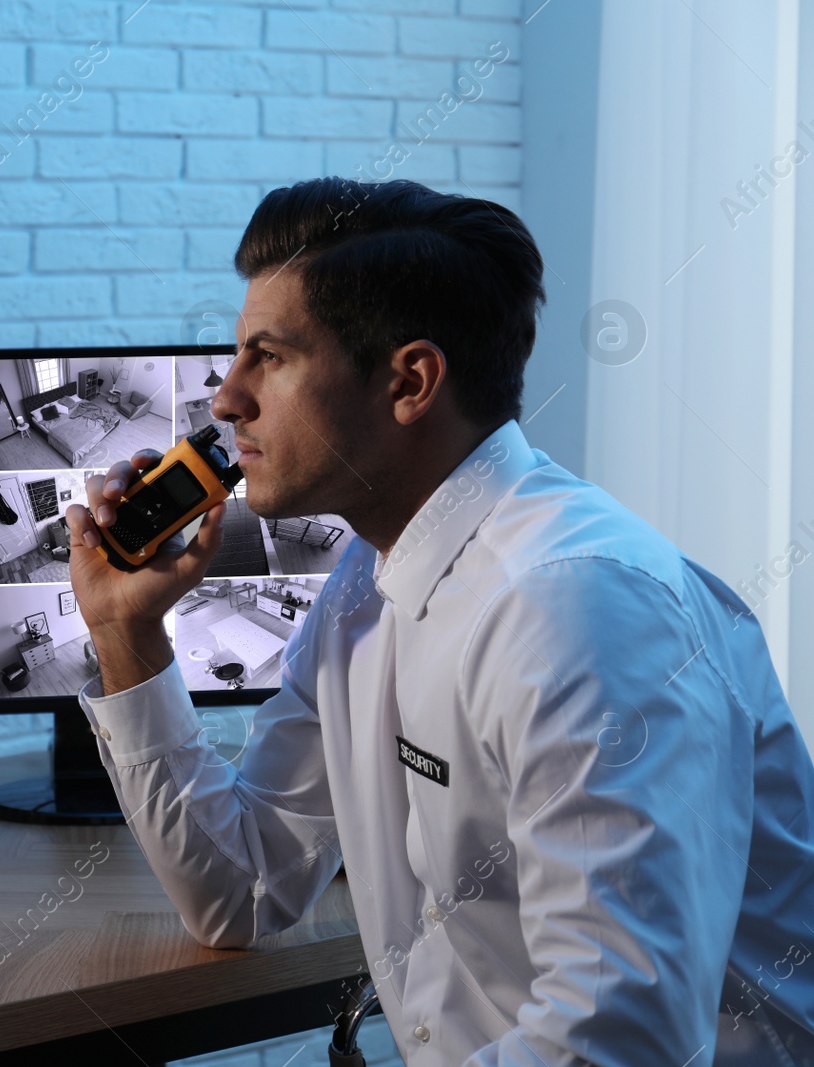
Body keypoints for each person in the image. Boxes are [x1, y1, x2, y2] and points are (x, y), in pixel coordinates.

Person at [64, 178, 814, 1066]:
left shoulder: (578, 608)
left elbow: (620, 1041)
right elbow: (243, 888)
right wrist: (126, 633)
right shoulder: (362, 583)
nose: (225, 400)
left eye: (267, 355)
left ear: (411, 381)